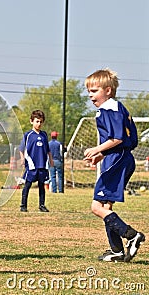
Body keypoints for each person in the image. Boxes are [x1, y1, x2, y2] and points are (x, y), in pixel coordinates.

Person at [84, 68, 145, 262]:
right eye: (89, 92)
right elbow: (126, 140)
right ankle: (117, 250)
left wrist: (96, 149)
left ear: (108, 91)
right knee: (106, 206)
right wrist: (101, 154)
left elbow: (117, 138)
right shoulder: (118, 108)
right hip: (120, 158)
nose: (90, 95)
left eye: (94, 91)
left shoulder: (108, 109)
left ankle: (131, 235)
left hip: (117, 161)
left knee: (96, 207)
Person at [19, 110, 53, 212]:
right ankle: (23, 205)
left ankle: (42, 205)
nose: (39, 124)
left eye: (41, 122)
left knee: (42, 185)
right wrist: (22, 159)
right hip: (31, 165)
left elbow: (47, 150)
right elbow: (21, 149)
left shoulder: (44, 135)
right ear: (31, 121)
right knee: (28, 185)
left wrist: (51, 160)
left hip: (42, 164)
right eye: (37, 121)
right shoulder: (28, 135)